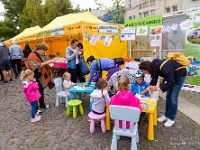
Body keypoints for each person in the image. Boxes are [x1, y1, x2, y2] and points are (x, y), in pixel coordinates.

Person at [139, 59, 187, 127]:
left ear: (147, 68)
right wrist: (145, 91)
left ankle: (171, 118)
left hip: (179, 76)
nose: (145, 73)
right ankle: (167, 115)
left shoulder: (165, 68)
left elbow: (171, 83)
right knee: (168, 96)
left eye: (144, 71)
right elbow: (153, 81)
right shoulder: (153, 68)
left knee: (173, 97)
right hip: (171, 77)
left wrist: (158, 88)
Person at [26, 42, 54, 113]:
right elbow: (36, 66)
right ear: (40, 49)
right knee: (35, 92)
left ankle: (42, 104)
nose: (45, 52)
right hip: (33, 76)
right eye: (44, 50)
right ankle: (36, 109)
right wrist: (46, 63)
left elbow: (44, 62)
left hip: (39, 76)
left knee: (41, 90)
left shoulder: (41, 55)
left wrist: (49, 64)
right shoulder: (32, 55)